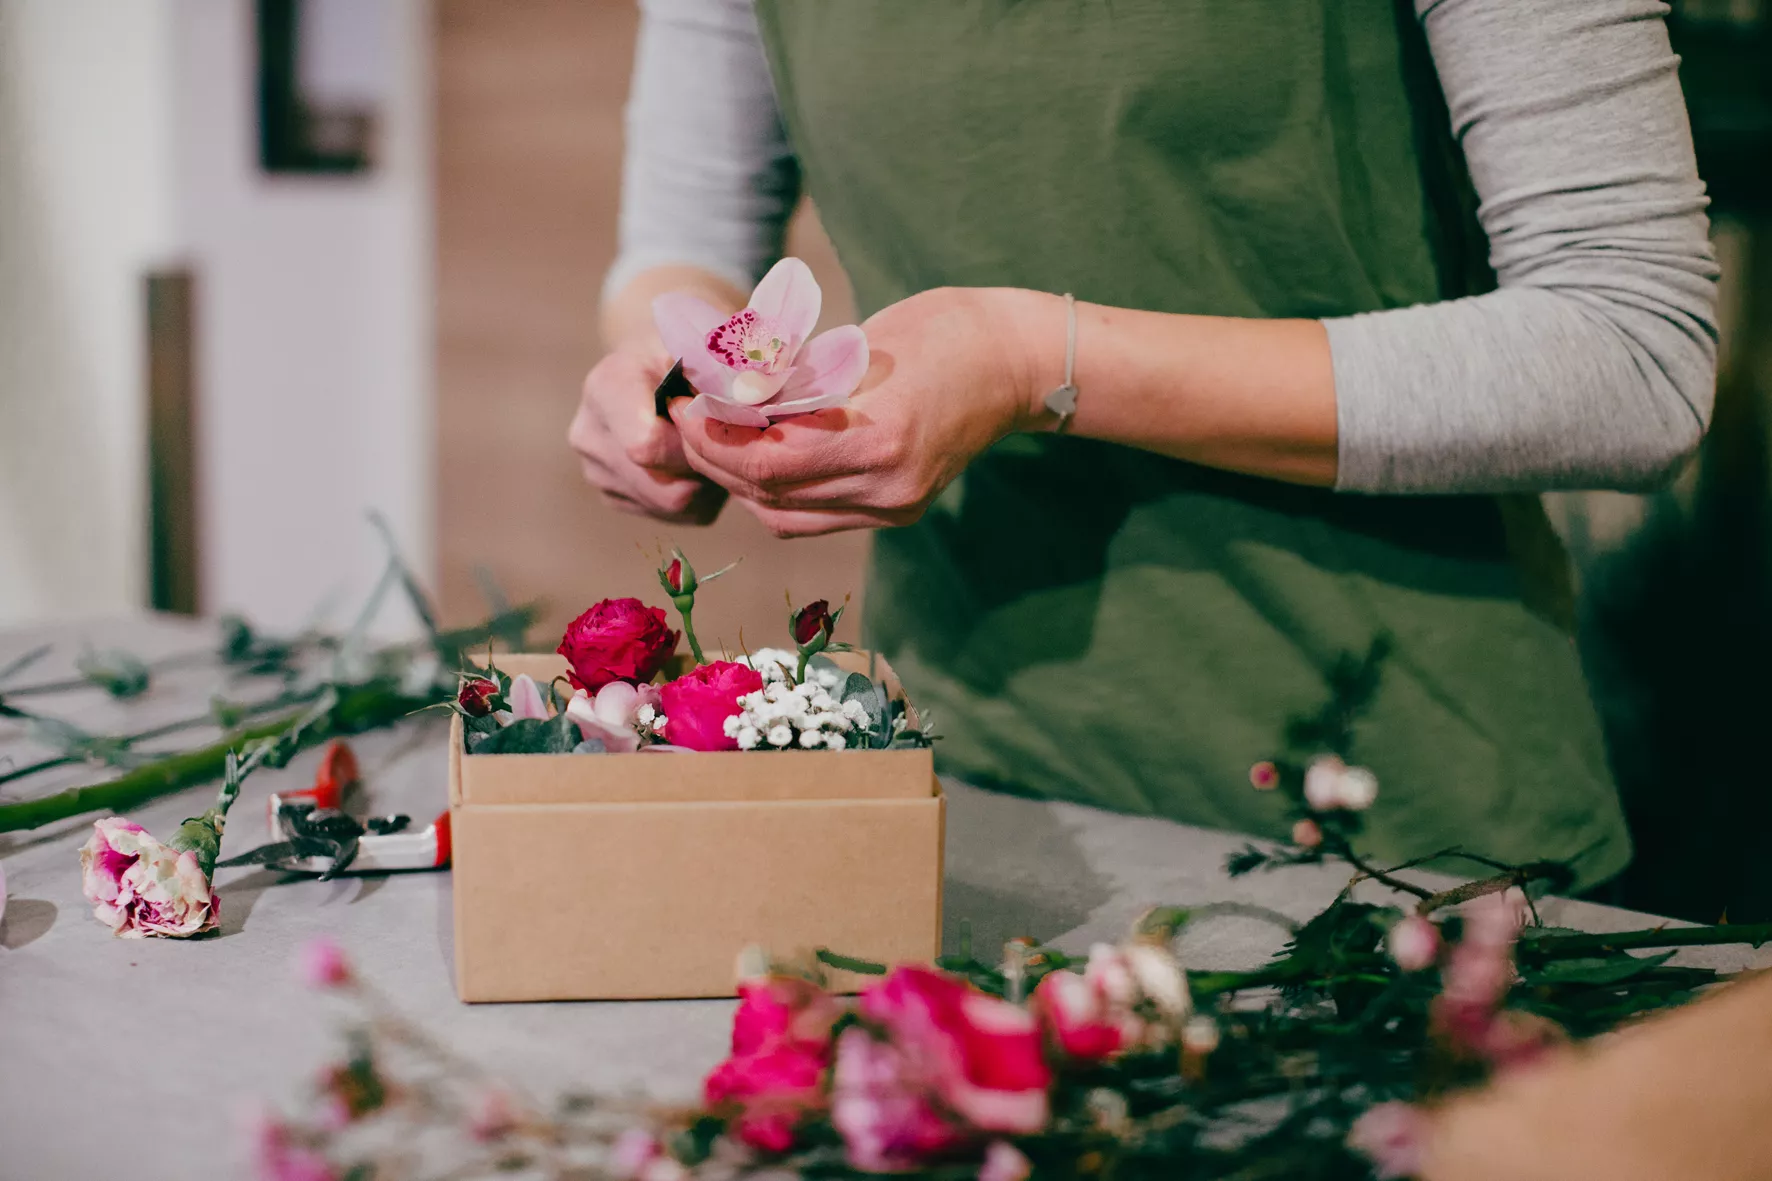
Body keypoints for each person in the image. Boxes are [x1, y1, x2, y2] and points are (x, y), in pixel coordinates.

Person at [570, 0, 1719, 889]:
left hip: (1404, 823)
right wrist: (663, 379)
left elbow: (1633, 352)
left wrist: (1032, 360)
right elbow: (684, 247)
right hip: (964, 777)